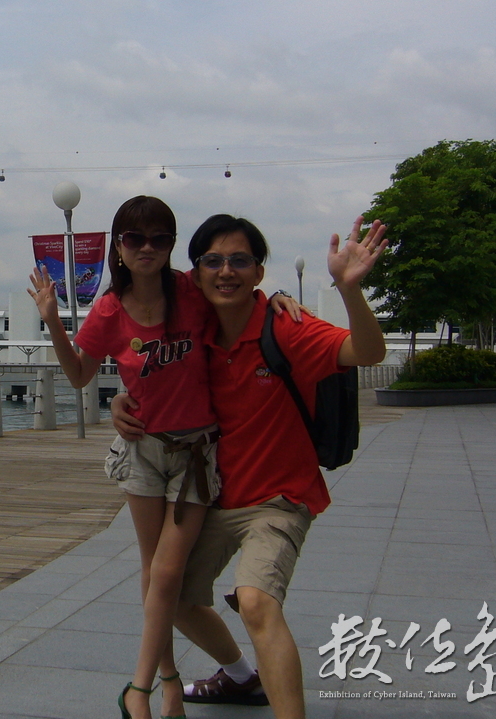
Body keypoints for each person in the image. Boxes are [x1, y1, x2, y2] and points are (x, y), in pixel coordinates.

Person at [28, 197, 303, 719]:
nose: (147, 248)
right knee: (153, 570)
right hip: (143, 451)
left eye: (160, 238)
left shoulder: (190, 291)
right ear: (119, 247)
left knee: (168, 571)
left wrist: (279, 296)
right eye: (135, 238)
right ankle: (169, 680)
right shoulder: (109, 310)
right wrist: (53, 323)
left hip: (196, 453)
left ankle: (139, 690)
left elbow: (236, 290)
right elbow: (81, 375)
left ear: (172, 245)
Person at [112, 214, 387, 719]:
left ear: (259, 272)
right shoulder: (193, 330)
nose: (226, 271)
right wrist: (121, 401)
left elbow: (367, 351)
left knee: (256, 601)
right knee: (169, 595)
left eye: (239, 260)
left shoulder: (285, 327)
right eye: (212, 261)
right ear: (195, 273)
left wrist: (350, 290)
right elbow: (151, 372)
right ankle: (241, 679)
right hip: (215, 496)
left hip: (279, 499)